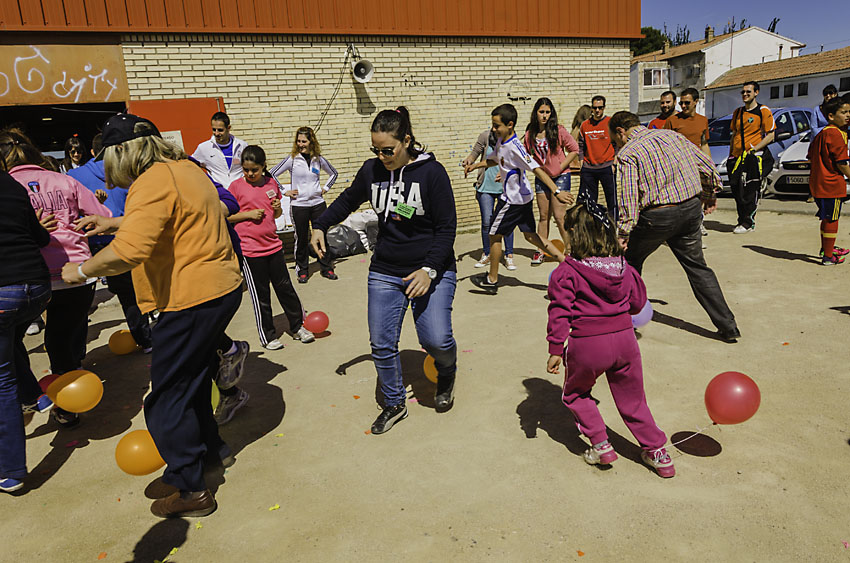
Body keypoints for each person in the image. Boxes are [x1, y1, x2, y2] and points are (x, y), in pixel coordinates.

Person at [63, 113, 243, 518]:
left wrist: (81, 271)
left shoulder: (150, 181)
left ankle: (191, 488)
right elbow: (174, 215)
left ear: (122, 153)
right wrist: (114, 222)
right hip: (219, 287)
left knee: (165, 399)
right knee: (192, 382)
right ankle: (211, 452)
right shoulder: (185, 169)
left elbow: (129, 252)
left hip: (191, 297)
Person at [311, 107, 458, 434]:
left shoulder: (432, 173)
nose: (382, 156)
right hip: (386, 270)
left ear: (406, 140)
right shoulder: (372, 170)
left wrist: (429, 270)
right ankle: (394, 403)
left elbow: (447, 228)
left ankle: (447, 370)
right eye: (376, 149)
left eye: (388, 150)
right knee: (381, 343)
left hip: (431, 269)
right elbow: (348, 200)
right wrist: (320, 224)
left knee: (436, 340)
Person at [546, 201, 675, 478]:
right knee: (634, 400)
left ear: (574, 234)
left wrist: (556, 349)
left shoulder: (566, 272)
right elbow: (638, 303)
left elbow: (560, 312)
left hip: (587, 344)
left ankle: (601, 445)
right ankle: (658, 452)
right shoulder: (624, 267)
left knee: (575, 393)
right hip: (626, 341)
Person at [2, 128, 112, 428]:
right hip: (77, 271)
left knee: (14, 341)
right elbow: (102, 215)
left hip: (30, 275)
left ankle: (33, 394)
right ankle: (67, 400)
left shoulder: (7, 186)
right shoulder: (65, 180)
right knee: (64, 338)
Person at [609, 111, 741, 343]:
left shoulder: (628, 153)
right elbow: (707, 166)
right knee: (697, 267)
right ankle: (728, 326)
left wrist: (623, 232)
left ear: (620, 132)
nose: (615, 146)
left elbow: (628, 197)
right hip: (690, 209)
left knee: (629, 262)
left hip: (657, 216)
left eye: (614, 141)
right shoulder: (673, 136)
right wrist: (710, 193)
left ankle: (623, 322)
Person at [465, 104, 573, 293]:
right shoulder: (501, 141)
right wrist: (475, 166)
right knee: (531, 236)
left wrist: (556, 191)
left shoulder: (516, 147)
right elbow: (494, 160)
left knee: (494, 234)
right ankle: (566, 262)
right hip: (523, 198)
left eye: (497, 125)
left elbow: (537, 169)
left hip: (512, 200)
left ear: (510, 125)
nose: (493, 129)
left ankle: (492, 279)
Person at [68, 134, 152, 353]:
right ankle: (147, 337)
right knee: (136, 289)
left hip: (94, 240)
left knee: (87, 300)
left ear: (92, 152)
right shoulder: (127, 171)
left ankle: (76, 354)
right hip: (129, 234)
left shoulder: (73, 176)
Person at [0, 157, 54, 493]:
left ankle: (10, 470)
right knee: (10, 340)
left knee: (1, 380)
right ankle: (37, 395)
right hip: (37, 288)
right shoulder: (12, 185)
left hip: (3, 294)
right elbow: (40, 238)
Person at [227, 145, 314, 350]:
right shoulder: (235, 187)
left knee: (286, 288)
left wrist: (276, 210)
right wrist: (248, 215)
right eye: (246, 170)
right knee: (261, 294)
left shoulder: (271, 183)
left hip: (273, 245)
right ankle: (268, 335)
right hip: (250, 250)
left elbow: (275, 214)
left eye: (254, 170)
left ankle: (297, 327)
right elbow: (226, 216)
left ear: (263, 166)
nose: (250, 174)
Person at [269, 126, 339, 283]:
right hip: (299, 205)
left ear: (311, 142)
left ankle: (326, 267)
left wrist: (325, 188)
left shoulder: (318, 159)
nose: (300, 144)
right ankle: (302, 269)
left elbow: (334, 173)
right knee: (301, 238)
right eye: (298, 141)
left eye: (304, 141)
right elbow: (272, 173)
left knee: (322, 236)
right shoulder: (292, 159)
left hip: (318, 204)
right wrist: (284, 191)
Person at [524, 97, 579, 264]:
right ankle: (541, 250)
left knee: (559, 217)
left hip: (561, 176)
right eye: (541, 112)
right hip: (542, 177)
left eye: (548, 112)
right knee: (543, 216)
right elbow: (524, 155)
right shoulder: (530, 133)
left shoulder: (559, 130)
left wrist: (560, 166)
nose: (544, 115)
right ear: (536, 113)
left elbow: (574, 149)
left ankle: (570, 251)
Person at [463, 129, 517, 270]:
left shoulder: (511, 139)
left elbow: (516, 162)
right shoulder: (485, 136)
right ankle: (487, 253)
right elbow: (475, 153)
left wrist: (505, 172)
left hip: (504, 188)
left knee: (506, 222)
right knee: (487, 222)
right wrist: (469, 161)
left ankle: (509, 254)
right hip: (485, 186)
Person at [727, 81, 775, 234]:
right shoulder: (738, 112)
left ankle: (748, 223)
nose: (745, 94)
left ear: (756, 92)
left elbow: (771, 135)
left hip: (753, 158)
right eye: (743, 92)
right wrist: (730, 154)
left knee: (750, 191)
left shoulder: (763, 111)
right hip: (736, 157)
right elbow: (734, 134)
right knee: (737, 190)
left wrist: (755, 149)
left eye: (748, 92)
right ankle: (741, 220)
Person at [807, 98, 850, 265]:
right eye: (844, 112)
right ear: (831, 116)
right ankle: (828, 257)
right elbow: (841, 163)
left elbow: (810, 156)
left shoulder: (821, 133)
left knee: (826, 218)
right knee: (832, 219)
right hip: (831, 185)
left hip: (817, 184)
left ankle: (827, 248)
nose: (848, 115)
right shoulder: (836, 134)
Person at [578, 95, 617, 219]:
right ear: (592, 108)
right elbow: (580, 145)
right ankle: (593, 225)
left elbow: (617, 143)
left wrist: (615, 162)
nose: (597, 110)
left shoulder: (610, 122)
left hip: (607, 166)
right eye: (595, 108)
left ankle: (613, 224)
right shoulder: (585, 125)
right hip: (589, 168)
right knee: (589, 202)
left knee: (612, 200)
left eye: (600, 108)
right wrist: (581, 161)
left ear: (604, 107)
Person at [191, 112, 247, 189]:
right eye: (214, 129)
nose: (216, 133)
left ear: (228, 128)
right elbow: (191, 164)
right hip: (219, 192)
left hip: (241, 190)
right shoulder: (204, 148)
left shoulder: (242, 145)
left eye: (220, 130)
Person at [664, 88, 710, 157]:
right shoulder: (672, 120)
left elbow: (704, 144)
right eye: (681, 103)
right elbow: (665, 145)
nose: (683, 106)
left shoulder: (703, 120)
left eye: (687, 103)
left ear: (696, 101)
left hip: (697, 160)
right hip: (680, 160)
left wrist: (709, 162)